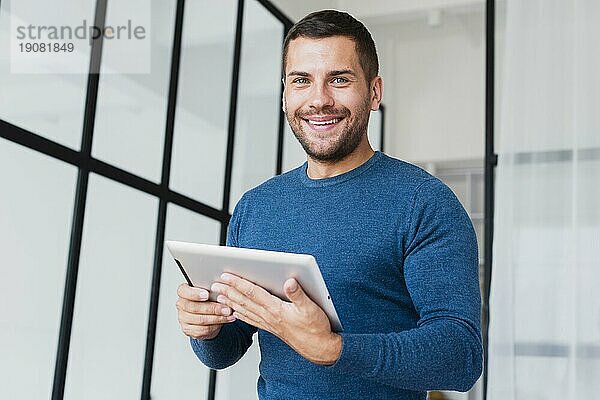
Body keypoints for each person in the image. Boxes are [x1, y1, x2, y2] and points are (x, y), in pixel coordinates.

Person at [176, 9, 482, 400]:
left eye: (339, 79)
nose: (319, 100)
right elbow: (227, 348)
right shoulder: (256, 208)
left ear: (374, 92)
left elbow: (461, 356)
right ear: (285, 95)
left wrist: (333, 349)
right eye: (301, 81)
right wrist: (206, 327)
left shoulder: (424, 203)